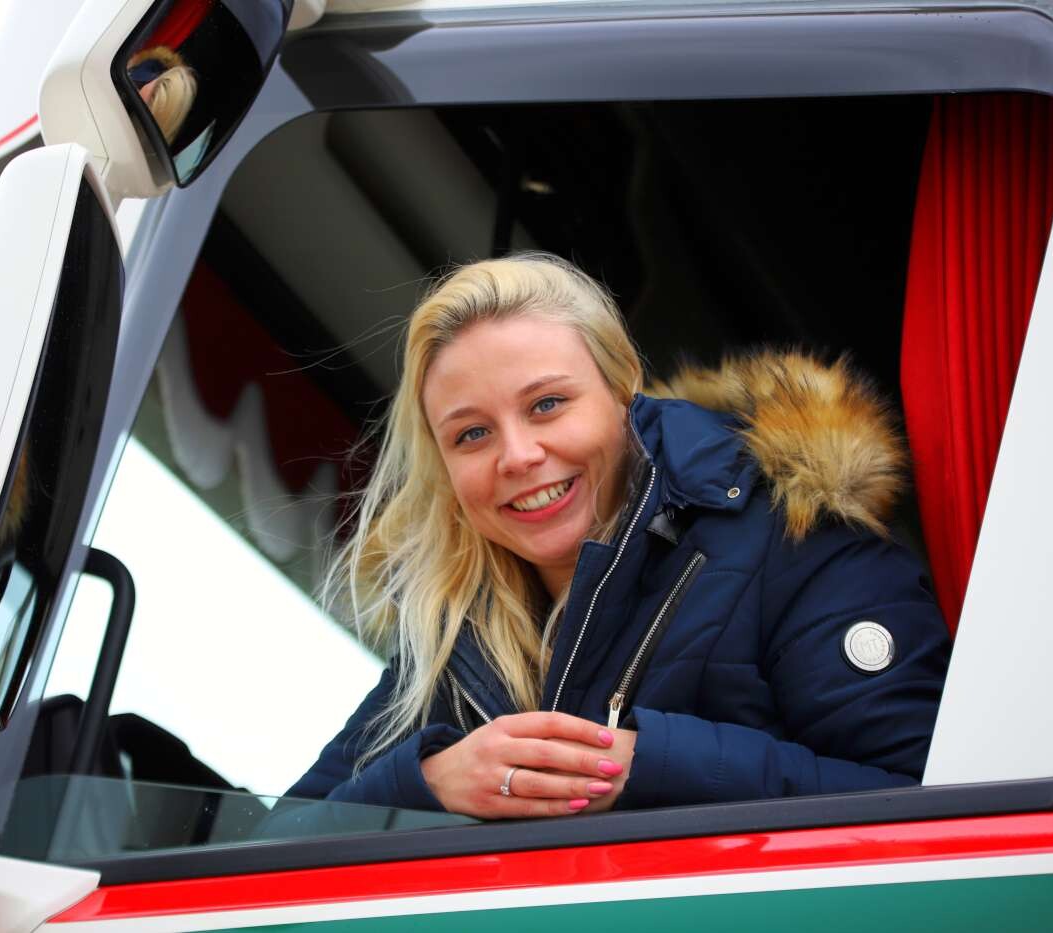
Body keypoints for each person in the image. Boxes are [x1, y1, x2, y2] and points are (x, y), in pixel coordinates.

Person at [287, 253, 949, 819]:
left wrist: (645, 766)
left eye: (547, 404)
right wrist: (429, 783)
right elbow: (273, 850)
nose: (517, 456)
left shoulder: (798, 539)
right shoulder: (458, 622)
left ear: (623, 385)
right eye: (472, 434)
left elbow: (938, 805)